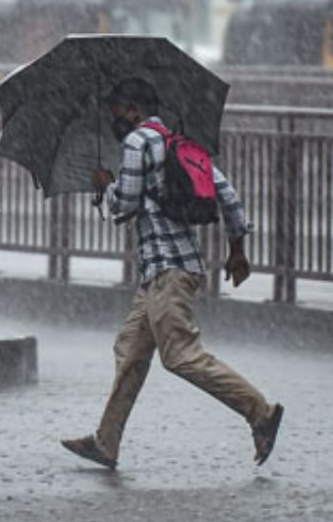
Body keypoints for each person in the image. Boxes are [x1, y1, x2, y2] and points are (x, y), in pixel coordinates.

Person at [61, 76, 283, 469]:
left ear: (133, 109)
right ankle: (106, 442)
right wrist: (237, 250)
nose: (114, 119)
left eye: (116, 111)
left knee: (181, 356)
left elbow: (124, 206)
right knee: (129, 349)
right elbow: (228, 196)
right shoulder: (180, 143)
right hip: (172, 269)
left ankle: (260, 412)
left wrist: (105, 186)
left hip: (167, 270)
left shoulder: (135, 143)